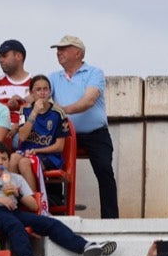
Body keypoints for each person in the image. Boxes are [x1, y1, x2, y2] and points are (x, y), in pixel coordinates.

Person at [0, 142, 115, 256]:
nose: (0, 162)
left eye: (4, 159)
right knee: (14, 225)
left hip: (13, 211)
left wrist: (18, 194)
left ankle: (85, 246)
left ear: (8, 161)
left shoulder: (16, 178)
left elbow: (34, 206)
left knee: (50, 223)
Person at [47, 34, 118, 217]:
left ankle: (110, 219)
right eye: (58, 49)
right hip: (65, 134)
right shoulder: (53, 77)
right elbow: (39, 97)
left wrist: (61, 110)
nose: (58, 52)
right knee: (49, 163)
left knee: (104, 169)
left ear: (78, 53)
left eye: (63, 49)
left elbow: (89, 100)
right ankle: (55, 209)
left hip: (95, 133)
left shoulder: (94, 73)